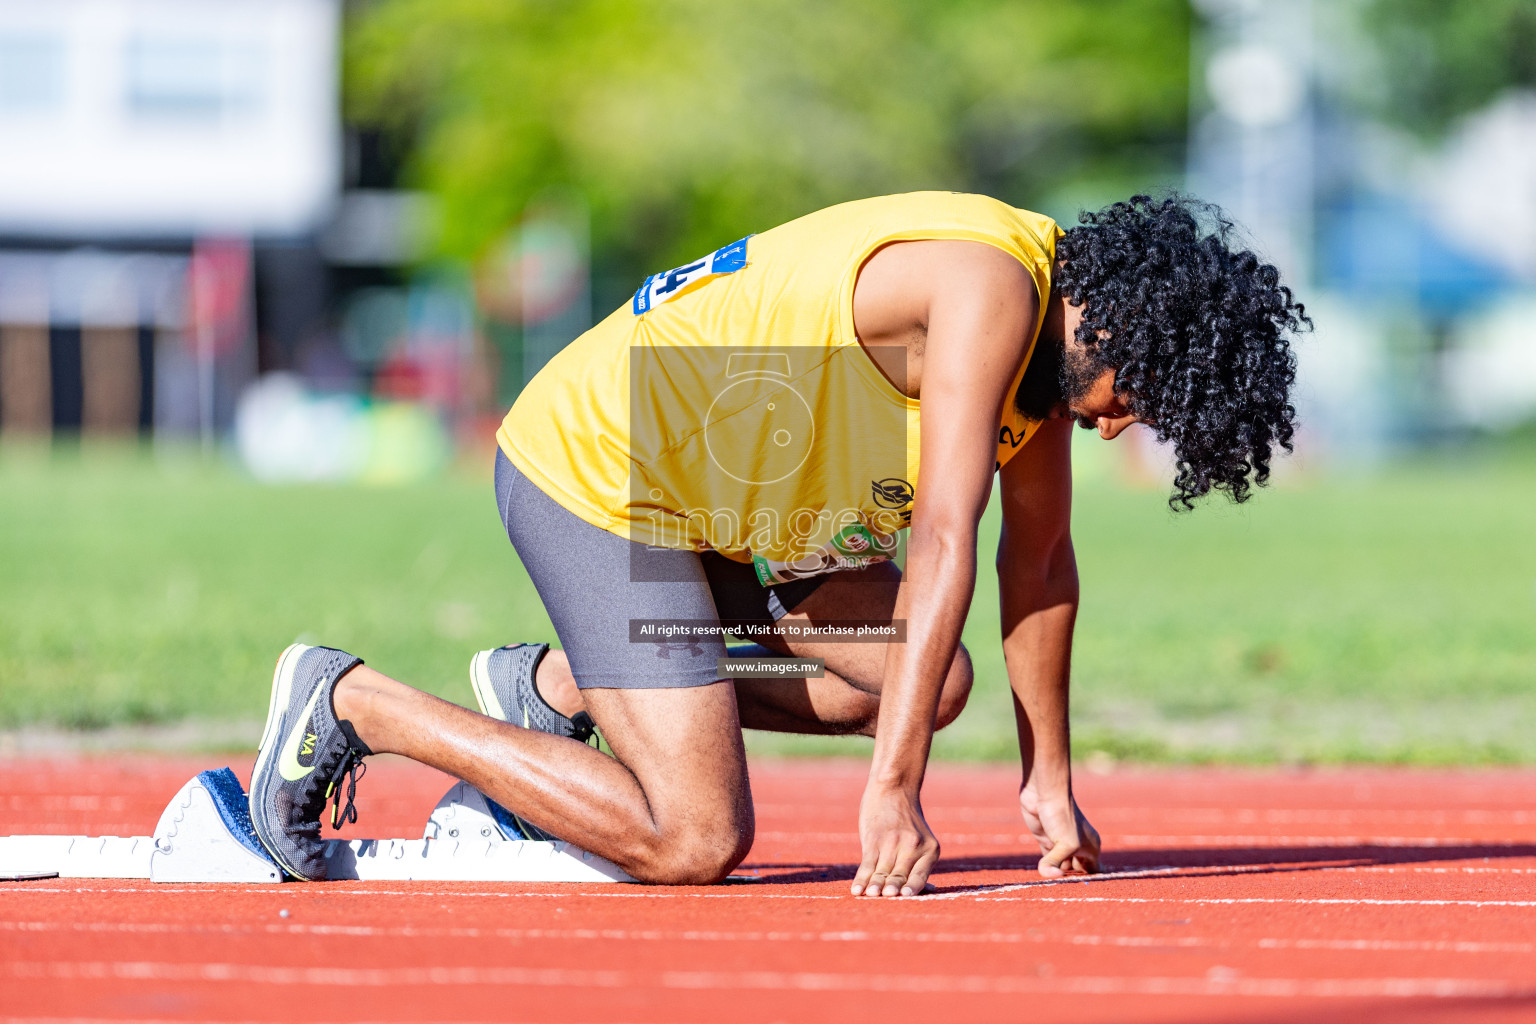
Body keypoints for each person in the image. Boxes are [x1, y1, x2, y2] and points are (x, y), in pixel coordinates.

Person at [248, 191, 1307, 896]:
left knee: (919, 682)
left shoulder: (1049, 355)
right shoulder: (992, 291)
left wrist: (1049, 775)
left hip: (727, 514)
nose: (1125, 428)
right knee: (694, 837)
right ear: (1119, 327)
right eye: (1144, 400)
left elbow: (1039, 565)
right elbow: (945, 538)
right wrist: (895, 789)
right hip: (607, 468)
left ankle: (566, 689)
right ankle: (354, 701)